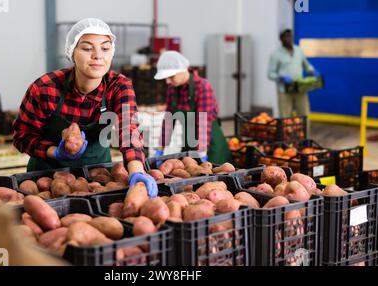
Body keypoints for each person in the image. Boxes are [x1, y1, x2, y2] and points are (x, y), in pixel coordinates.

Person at [13, 18, 158, 197]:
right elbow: (22, 136)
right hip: (45, 181)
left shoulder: (119, 86)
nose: (98, 55)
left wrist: (137, 172)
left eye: (105, 48)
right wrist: (56, 152)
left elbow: (129, 132)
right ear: (72, 52)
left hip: (98, 178)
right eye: (87, 48)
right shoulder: (45, 87)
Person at [153, 51, 232, 165]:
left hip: (210, 146)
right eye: (166, 78)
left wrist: (202, 152)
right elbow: (169, 121)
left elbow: (203, 123)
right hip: (188, 143)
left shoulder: (202, 87)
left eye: (171, 77)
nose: (168, 81)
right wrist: (160, 148)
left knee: (214, 177)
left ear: (183, 70)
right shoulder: (172, 89)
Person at [268, 29, 320, 118]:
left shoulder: (298, 51)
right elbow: (270, 74)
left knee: (304, 113)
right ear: (281, 39)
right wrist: (281, 78)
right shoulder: (275, 54)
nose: (288, 39)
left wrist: (312, 71)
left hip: (300, 87)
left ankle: (304, 132)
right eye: (285, 37)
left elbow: (306, 65)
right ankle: (285, 132)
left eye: (290, 36)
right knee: (284, 115)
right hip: (284, 89)